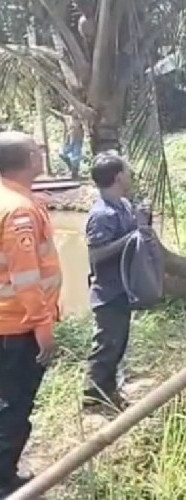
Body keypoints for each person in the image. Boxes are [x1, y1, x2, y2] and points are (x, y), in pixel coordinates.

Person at [0, 131, 62, 498]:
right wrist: (43, 326)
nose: (42, 156)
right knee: (14, 404)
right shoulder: (19, 210)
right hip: (17, 328)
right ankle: (4, 481)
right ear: (28, 160)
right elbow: (26, 277)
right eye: (38, 151)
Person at [83, 152, 139, 411]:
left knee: (118, 344)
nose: (131, 176)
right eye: (127, 172)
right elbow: (97, 254)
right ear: (118, 177)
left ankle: (109, 393)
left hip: (123, 289)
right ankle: (92, 396)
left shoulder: (123, 206)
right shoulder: (102, 214)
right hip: (108, 292)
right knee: (106, 345)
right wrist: (131, 237)